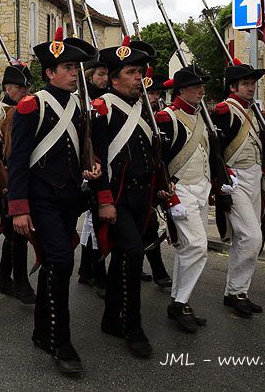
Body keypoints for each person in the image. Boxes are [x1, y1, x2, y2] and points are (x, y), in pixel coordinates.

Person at [7, 28, 98, 375]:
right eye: (67, 67)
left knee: (54, 264)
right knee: (61, 263)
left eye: (76, 67)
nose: (74, 72)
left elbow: (75, 151)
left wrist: (89, 167)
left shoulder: (77, 106)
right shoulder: (33, 105)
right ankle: (61, 340)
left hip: (69, 200)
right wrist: (19, 207)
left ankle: (42, 331)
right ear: (49, 73)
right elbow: (18, 160)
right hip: (40, 200)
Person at [90, 37, 169, 358]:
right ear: (113, 77)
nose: (140, 78)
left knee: (124, 259)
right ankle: (132, 327)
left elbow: (151, 154)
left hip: (141, 197)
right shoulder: (101, 109)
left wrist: (161, 186)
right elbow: (96, 159)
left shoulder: (144, 108)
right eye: (133, 72)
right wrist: (105, 199)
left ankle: (111, 318)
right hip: (116, 197)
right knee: (133, 255)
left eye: (140, 72)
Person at [155, 66, 232, 333]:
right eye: (196, 86)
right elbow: (160, 160)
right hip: (181, 190)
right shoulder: (166, 118)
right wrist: (167, 195)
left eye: (202, 86)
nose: (202, 90)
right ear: (181, 90)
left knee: (189, 249)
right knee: (198, 246)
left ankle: (179, 302)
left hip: (201, 189)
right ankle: (180, 302)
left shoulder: (203, 117)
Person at [211, 60, 265, 318]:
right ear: (233, 86)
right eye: (246, 83)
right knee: (253, 237)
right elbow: (216, 150)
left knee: (245, 239)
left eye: (253, 83)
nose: (251, 88)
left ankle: (236, 292)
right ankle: (236, 292)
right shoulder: (225, 111)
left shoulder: (255, 111)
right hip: (234, 179)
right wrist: (221, 181)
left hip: (254, 178)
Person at [0, 61, 36, 304]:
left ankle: (4, 279)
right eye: (19, 87)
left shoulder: (32, 108)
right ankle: (20, 281)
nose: (25, 92)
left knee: (14, 232)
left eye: (27, 87)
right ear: (7, 88)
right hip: (5, 178)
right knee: (17, 230)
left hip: (26, 176)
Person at [77, 60, 109, 296]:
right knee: (95, 222)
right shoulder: (82, 101)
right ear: (89, 76)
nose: (104, 78)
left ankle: (86, 271)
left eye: (107, 74)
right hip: (87, 168)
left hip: (103, 165)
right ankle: (97, 275)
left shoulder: (107, 99)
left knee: (93, 222)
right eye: (100, 74)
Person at [141, 69, 173, 288]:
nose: (155, 97)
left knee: (150, 225)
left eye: (157, 94)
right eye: (151, 93)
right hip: (135, 176)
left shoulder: (160, 114)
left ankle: (157, 269)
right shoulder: (136, 113)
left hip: (155, 174)